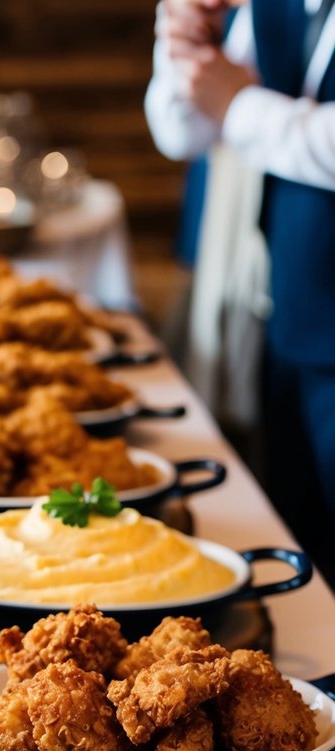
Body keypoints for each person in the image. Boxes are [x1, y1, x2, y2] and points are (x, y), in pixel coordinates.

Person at [145, 0, 335, 587]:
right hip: (293, 311)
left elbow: (235, 113)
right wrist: (183, 42)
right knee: (299, 537)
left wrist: (240, 106)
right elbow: (183, 131)